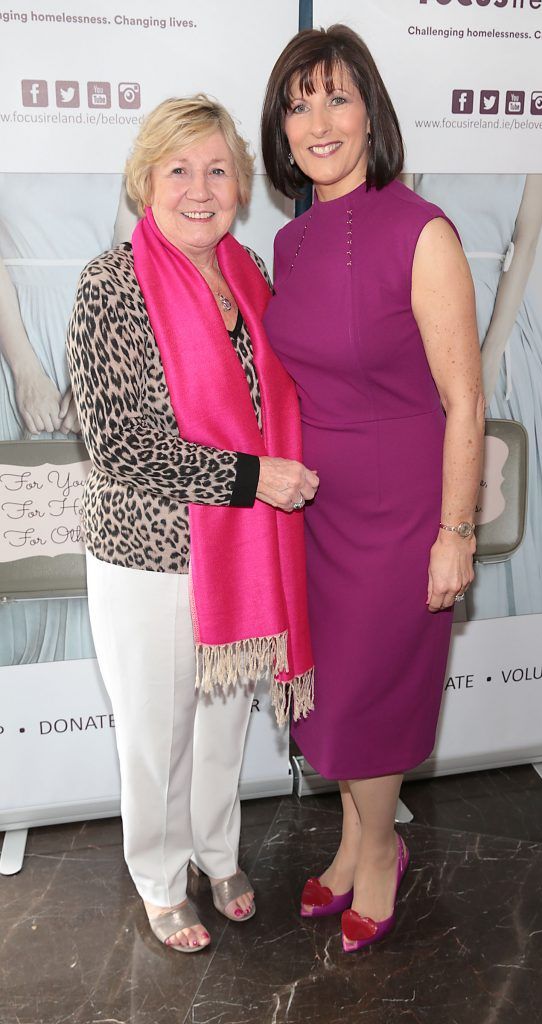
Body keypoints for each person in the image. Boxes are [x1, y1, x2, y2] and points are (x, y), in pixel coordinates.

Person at [66, 95, 319, 953]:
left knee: (225, 727)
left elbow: (280, 399)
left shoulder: (250, 275)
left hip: (241, 552)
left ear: (242, 185)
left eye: (218, 169)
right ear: (146, 182)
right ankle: (161, 877)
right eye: (179, 169)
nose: (199, 188)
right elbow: (119, 445)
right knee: (157, 736)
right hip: (150, 558)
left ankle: (218, 851)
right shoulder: (110, 284)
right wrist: (254, 479)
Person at [261, 26, 484, 952]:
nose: (318, 121)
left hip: (402, 508)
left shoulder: (422, 231)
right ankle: (356, 839)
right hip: (318, 505)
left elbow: (466, 398)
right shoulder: (291, 238)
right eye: (298, 101)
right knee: (329, 697)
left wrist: (455, 530)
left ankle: (380, 854)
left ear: (371, 112)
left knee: (369, 699)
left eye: (337, 97)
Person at [410, 174, 542, 620]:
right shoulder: (429, 141)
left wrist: (492, 352)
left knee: (511, 474)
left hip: (501, 324)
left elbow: (526, 247)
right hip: (425, 312)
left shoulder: (534, 148)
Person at [0, 173, 136, 666]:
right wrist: (23, 367)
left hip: (101, 328)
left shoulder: (116, 136)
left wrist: (94, 374)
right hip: (16, 324)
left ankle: (85, 683)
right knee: (21, 519)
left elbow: (128, 254)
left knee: (97, 515)